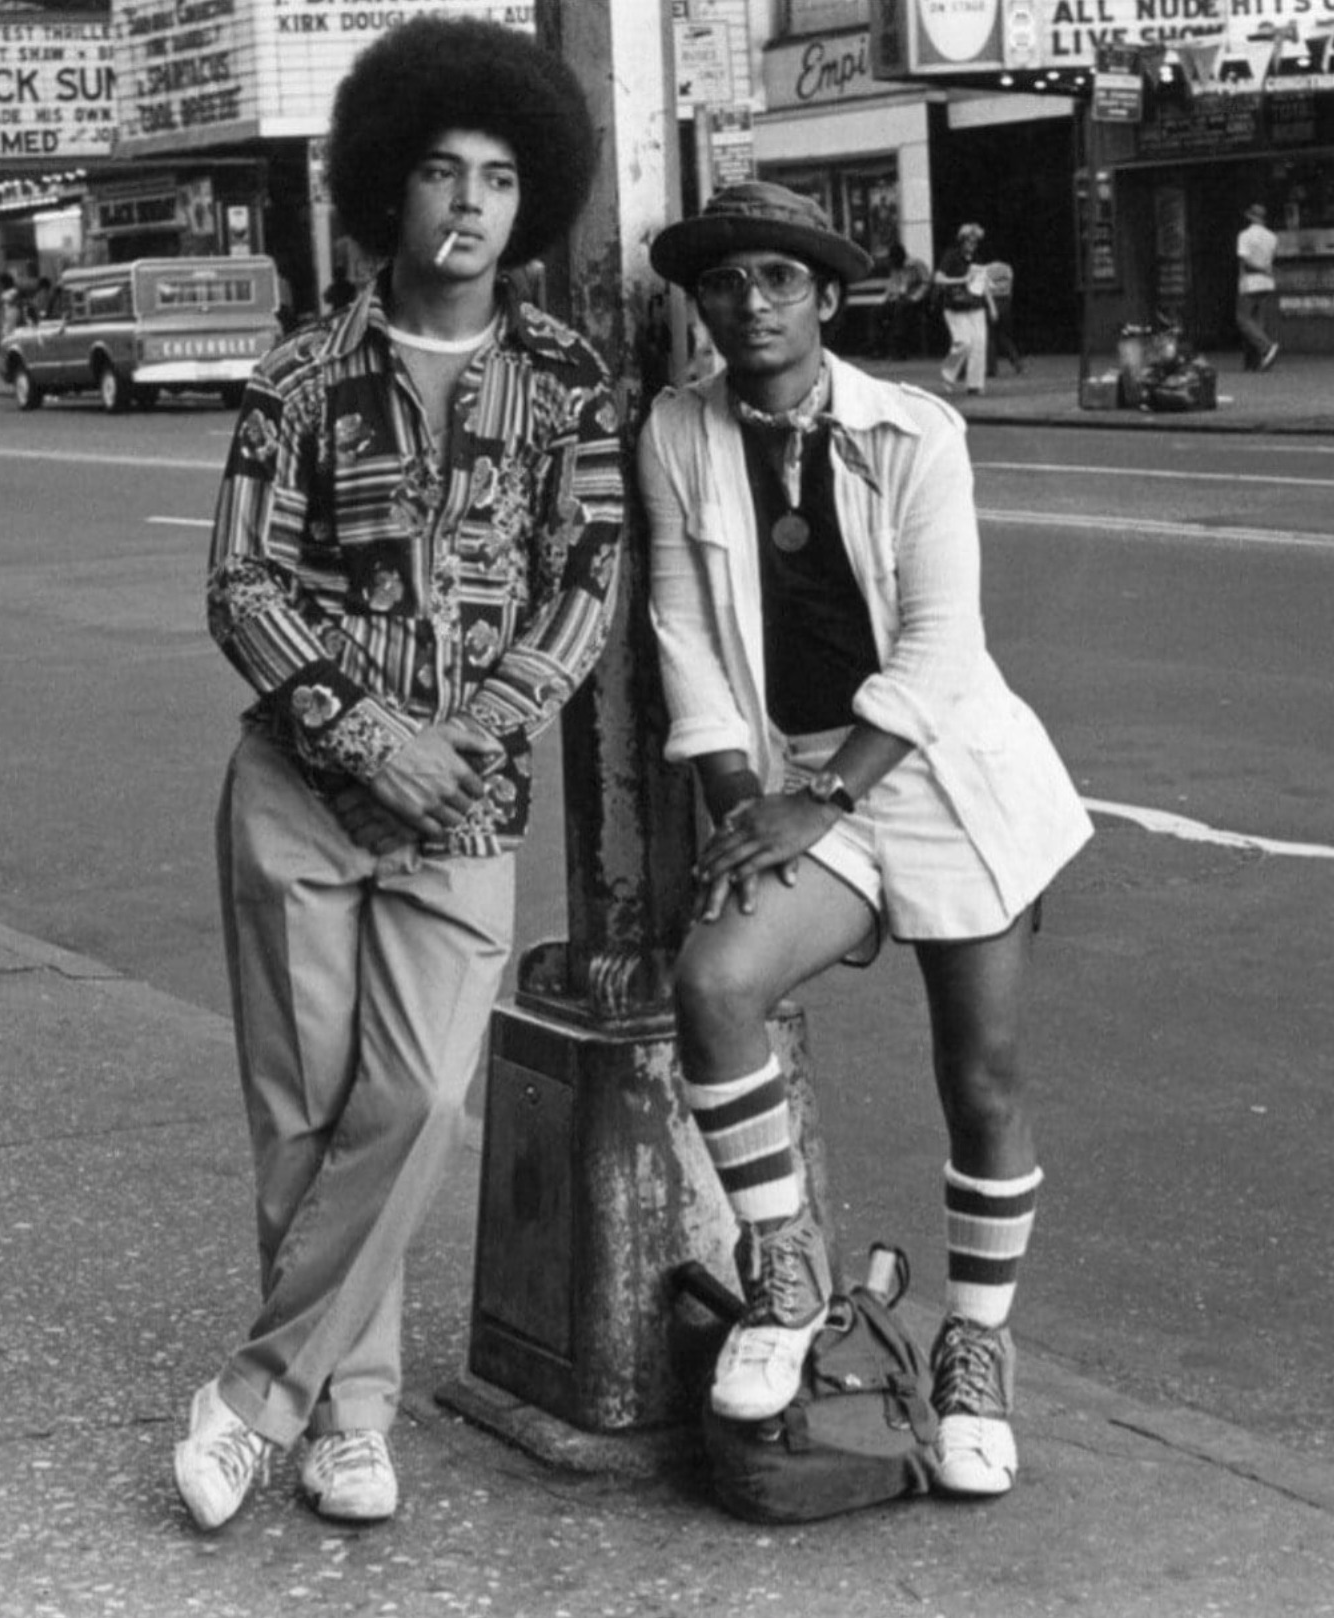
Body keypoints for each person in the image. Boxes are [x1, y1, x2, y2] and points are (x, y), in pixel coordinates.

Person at [177, 15, 623, 1532]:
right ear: (392, 183)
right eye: (441, 171)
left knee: (426, 1094)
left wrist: (465, 743)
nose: (469, 204)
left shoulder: (570, 381)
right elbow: (245, 587)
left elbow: (587, 587)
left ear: (531, 196)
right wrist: (375, 738)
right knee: (303, 1115)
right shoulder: (300, 372)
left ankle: (257, 1393)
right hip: (299, 798)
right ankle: (352, 1414)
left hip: (468, 811)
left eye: (500, 176)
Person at [639, 182, 1092, 1500]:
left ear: (827, 301)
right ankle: (786, 1275)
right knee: (714, 982)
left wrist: (822, 800)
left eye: (781, 279)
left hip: (936, 771)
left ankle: (975, 1349)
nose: (752, 304)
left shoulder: (917, 431)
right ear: (704, 304)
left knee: (983, 1072)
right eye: (727, 283)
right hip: (789, 776)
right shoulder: (678, 429)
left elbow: (944, 650)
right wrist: (741, 802)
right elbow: (685, 636)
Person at [933, 223, 991, 396]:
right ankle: (947, 374)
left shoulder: (977, 259)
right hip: (955, 307)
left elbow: (982, 285)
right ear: (962, 241)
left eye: (975, 242)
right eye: (969, 241)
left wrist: (992, 305)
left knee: (979, 343)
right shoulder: (951, 256)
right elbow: (938, 279)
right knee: (963, 342)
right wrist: (962, 280)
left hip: (975, 306)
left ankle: (975, 385)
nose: (972, 245)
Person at [1235, 203, 1279, 372]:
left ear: (1251, 217)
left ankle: (1267, 347)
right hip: (1267, 282)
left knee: (1243, 318)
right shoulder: (1272, 237)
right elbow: (1271, 259)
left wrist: (1241, 281)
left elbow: (1244, 261)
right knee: (1257, 321)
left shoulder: (1245, 236)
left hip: (1250, 281)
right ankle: (1255, 361)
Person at [870, 243, 930, 360]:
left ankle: (898, 349)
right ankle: (877, 348)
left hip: (916, 300)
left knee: (901, 310)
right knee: (875, 312)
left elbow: (926, 282)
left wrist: (915, 297)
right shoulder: (895, 267)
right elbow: (892, 286)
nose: (891, 262)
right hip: (899, 299)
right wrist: (886, 299)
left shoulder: (916, 264)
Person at [983, 259, 1025, 377]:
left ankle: (991, 369)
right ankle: (1017, 363)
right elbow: (1010, 287)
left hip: (993, 302)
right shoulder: (1007, 268)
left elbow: (986, 289)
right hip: (1005, 302)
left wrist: (990, 306)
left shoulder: (986, 269)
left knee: (990, 337)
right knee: (1003, 336)